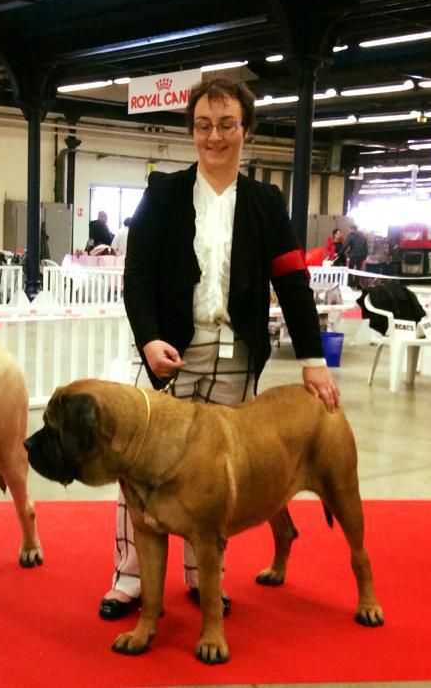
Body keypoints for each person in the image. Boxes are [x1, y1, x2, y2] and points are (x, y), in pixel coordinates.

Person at [102, 77, 340, 622]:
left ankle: (198, 578)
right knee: (138, 472)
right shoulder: (162, 193)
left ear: (246, 130)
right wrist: (147, 339)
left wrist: (313, 362)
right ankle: (129, 577)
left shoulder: (265, 202)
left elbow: (292, 283)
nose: (215, 136)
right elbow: (136, 276)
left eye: (227, 124)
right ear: (192, 132)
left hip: (236, 358)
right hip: (168, 356)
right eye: (205, 126)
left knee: (214, 479)